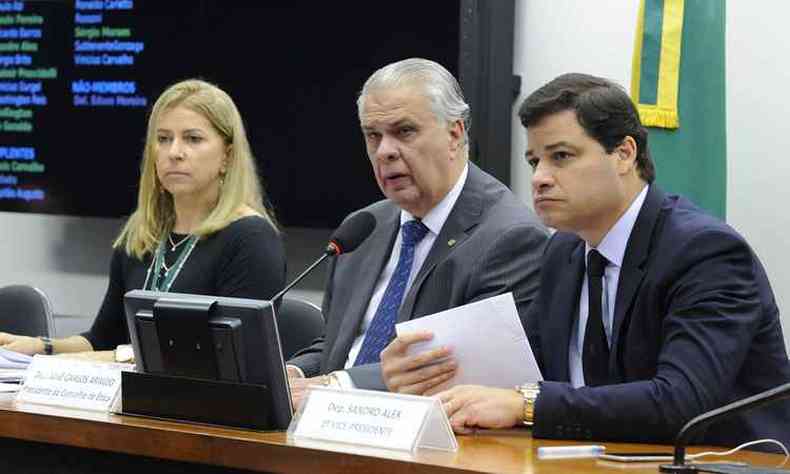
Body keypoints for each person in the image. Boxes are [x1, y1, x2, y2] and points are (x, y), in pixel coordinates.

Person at [438, 73, 790, 448]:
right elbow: (528, 370)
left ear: (624, 153)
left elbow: (681, 402)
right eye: (534, 161)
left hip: (724, 463)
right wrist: (430, 372)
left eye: (561, 157)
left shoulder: (705, 252)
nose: (539, 178)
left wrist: (527, 405)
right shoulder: (563, 252)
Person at [285, 58, 548, 404]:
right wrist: (297, 372)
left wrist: (338, 386)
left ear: (454, 134)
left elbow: (450, 367)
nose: (385, 151)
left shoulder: (510, 238)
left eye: (404, 131)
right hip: (329, 427)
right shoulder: (363, 228)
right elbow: (340, 346)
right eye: (373, 136)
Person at [0, 79, 286, 360]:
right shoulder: (142, 235)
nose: (174, 152)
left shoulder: (251, 239)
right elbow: (101, 340)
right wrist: (40, 347)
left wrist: (99, 360)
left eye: (193, 139)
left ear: (227, 155)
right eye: (163, 139)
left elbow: (229, 359)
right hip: (131, 399)